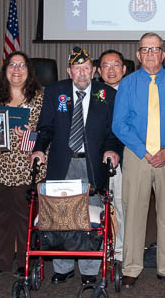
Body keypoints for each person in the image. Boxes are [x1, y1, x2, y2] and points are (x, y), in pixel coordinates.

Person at [33, 47, 120, 285]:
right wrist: (39, 148)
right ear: (69, 71)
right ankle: (63, 266)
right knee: (62, 214)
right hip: (63, 163)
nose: (82, 73)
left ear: (93, 70)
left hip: (93, 163)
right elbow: (46, 127)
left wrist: (113, 149)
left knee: (91, 216)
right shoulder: (55, 92)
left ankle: (90, 270)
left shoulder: (107, 94)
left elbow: (113, 132)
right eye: (77, 69)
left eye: (86, 68)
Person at [113, 33, 165, 289]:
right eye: (145, 50)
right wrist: (144, 151)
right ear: (138, 55)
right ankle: (131, 267)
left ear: (163, 54)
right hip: (137, 156)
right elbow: (119, 125)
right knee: (133, 211)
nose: (150, 54)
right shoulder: (128, 83)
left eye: (155, 49)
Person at [0, 51, 47, 278]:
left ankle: (25, 260)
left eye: (22, 65)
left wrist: (30, 135)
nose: (17, 69)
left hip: (28, 168)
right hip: (0, 166)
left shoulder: (40, 97)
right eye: (12, 65)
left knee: (24, 217)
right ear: (6, 69)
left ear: (29, 71)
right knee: (1, 215)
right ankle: (1, 259)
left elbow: (47, 131)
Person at [97, 49, 127, 264]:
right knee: (96, 207)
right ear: (98, 71)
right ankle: (97, 249)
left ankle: (120, 251)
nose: (111, 70)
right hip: (96, 160)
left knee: (122, 205)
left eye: (116, 64)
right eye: (106, 66)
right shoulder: (91, 94)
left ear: (124, 69)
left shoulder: (131, 92)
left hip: (126, 159)